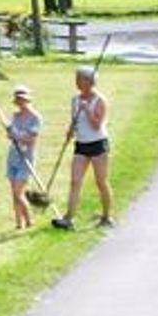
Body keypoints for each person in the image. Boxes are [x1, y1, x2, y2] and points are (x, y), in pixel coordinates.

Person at [51, 65, 112, 229]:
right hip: (81, 144)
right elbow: (75, 120)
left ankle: (106, 216)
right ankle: (69, 218)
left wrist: (87, 109)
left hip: (98, 144)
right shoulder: (75, 100)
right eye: (76, 79)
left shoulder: (100, 101)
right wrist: (70, 131)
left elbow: (97, 125)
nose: (76, 82)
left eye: (80, 79)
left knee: (101, 182)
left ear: (89, 81)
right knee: (75, 181)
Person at [1, 85, 42, 230]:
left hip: (26, 159)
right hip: (13, 156)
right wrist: (13, 134)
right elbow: (11, 134)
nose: (20, 102)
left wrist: (15, 135)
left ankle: (29, 220)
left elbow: (30, 139)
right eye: (18, 100)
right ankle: (19, 223)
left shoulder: (36, 118)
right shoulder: (15, 116)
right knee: (14, 192)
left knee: (18, 192)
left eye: (23, 99)